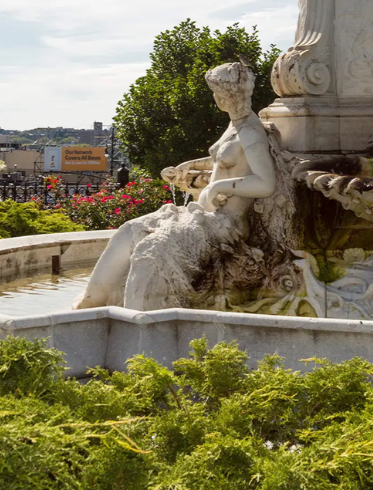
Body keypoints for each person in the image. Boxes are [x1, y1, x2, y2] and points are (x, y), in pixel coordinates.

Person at [72, 62, 289, 311]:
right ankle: (90, 304)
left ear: (223, 98)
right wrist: (189, 165)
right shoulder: (236, 125)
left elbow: (265, 182)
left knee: (154, 250)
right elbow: (226, 160)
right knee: (129, 230)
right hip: (204, 215)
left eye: (217, 94)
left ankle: (136, 325)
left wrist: (218, 187)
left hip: (225, 225)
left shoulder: (251, 133)